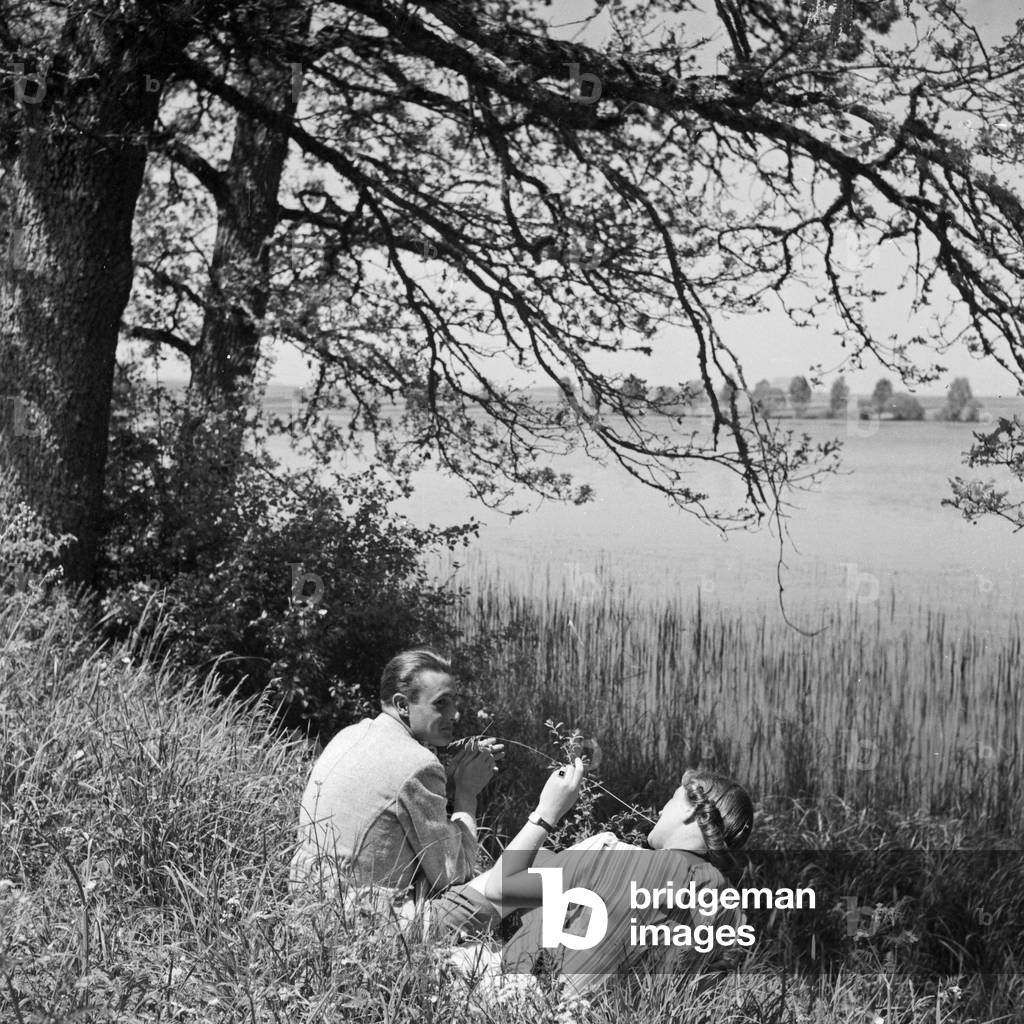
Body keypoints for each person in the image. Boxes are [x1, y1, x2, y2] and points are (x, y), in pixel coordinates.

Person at [454, 767, 755, 1002]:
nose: (661, 811)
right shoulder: (729, 910)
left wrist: (545, 813)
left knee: (444, 953)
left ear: (691, 809)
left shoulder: (611, 854)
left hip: (526, 1004)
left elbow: (500, 888)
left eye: (670, 800)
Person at [288, 649, 505, 923]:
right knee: (499, 893)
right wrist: (465, 794)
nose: (456, 714)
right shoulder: (419, 763)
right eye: (442, 703)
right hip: (365, 919)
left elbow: (392, 799)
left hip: (310, 900)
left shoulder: (350, 734)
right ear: (403, 705)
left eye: (454, 702)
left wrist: (448, 783)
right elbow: (453, 873)